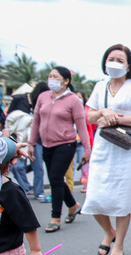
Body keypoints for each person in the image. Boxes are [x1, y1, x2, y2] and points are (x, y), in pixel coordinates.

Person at [83, 44, 131, 255]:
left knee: (123, 197)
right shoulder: (100, 86)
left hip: (126, 148)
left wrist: (116, 118)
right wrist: (103, 112)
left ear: (128, 65)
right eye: (111, 58)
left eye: (120, 60)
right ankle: (108, 231)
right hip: (103, 147)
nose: (115, 63)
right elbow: (90, 115)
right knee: (94, 197)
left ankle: (119, 244)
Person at [28, 67, 91, 233]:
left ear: (66, 81)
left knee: (55, 177)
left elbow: (81, 126)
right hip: (46, 144)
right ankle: (73, 205)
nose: (51, 79)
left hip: (66, 144)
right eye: (50, 76)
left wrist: (87, 149)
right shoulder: (43, 97)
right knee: (55, 179)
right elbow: (36, 121)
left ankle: (55, 217)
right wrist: (31, 143)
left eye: (55, 77)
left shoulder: (73, 101)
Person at [5, 95, 33, 194]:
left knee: (18, 167)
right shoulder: (25, 118)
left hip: (20, 146)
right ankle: (26, 187)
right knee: (18, 167)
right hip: (20, 146)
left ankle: (26, 187)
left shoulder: (23, 119)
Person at [74, 91, 94, 193]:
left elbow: (93, 126)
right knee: (71, 167)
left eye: (79, 97)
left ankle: (87, 184)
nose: (77, 99)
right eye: (75, 97)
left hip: (84, 142)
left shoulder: (87, 111)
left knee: (85, 165)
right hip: (71, 142)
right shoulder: (70, 109)